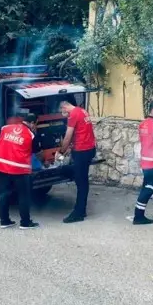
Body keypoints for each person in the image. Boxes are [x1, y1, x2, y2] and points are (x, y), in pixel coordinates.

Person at [0, 114, 40, 230]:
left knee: (4, 193)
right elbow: (37, 152)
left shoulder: (5, 128)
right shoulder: (31, 135)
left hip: (1, 165)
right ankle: (25, 223)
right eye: (35, 124)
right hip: (19, 168)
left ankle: (4, 221)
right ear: (32, 123)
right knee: (23, 195)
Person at [59, 96, 97, 224]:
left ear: (64, 107)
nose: (62, 114)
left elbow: (68, 136)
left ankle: (78, 213)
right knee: (82, 180)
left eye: (61, 111)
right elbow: (81, 132)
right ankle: (82, 209)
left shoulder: (73, 115)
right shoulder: (82, 111)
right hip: (89, 149)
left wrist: (61, 151)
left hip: (82, 151)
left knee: (81, 181)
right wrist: (71, 147)